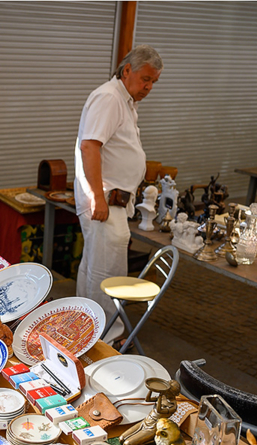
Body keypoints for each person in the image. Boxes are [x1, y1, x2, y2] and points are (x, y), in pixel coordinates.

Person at [74, 45, 162, 342]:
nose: (149, 87)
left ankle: (88, 330)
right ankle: (105, 339)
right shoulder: (110, 97)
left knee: (95, 268)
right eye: (145, 79)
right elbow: (90, 146)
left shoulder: (125, 101)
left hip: (112, 201)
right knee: (105, 273)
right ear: (127, 71)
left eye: (154, 82)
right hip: (105, 201)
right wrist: (98, 197)